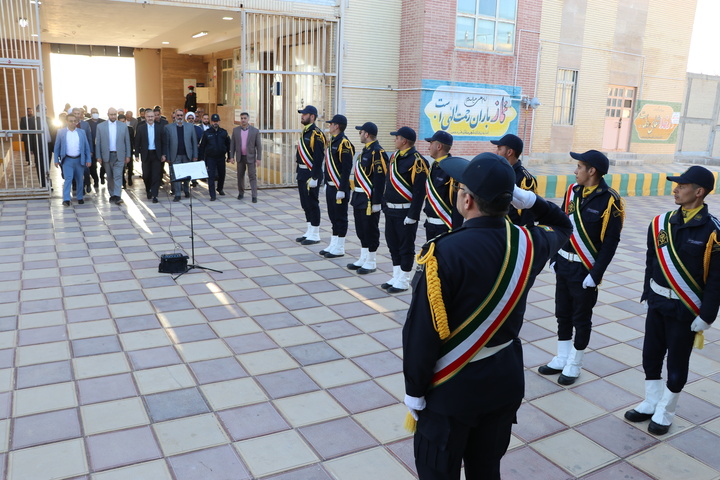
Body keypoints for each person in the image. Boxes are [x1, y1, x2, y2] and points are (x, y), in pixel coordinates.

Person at [402, 153, 573, 480]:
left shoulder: (443, 253)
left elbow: (421, 334)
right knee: (486, 471)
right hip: (502, 382)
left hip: (451, 390)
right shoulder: (530, 242)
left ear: (467, 200)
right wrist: (532, 201)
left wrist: (414, 391)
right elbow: (564, 224)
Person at [624, 166, 720, 435]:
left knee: (677, 363)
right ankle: (651, 401)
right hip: (658, 303)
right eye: (676, 184)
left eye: (682, 185)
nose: (675, 189)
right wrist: (647, 292)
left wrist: (707, 315)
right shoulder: (661, 223)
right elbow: (651, 261)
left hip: (685, 308)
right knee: (650, 356)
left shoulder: (713, 231)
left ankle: (666, 410)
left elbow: (716, 280)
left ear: (699, 192)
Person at [538, 150, 624, 385]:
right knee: (562, 313)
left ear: (592, 171)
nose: (575, 171)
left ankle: (575, 362)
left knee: (581, 318)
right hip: (564, 263)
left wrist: (596, 274)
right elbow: (562, 225)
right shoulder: (572, 192)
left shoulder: (610, 200)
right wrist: (555, 257)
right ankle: (562, 357)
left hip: (585, 270)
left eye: (579, 166)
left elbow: (610, 242)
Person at [382, 126, 428, 293]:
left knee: (405, 246)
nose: (395, 140)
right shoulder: (394, 157)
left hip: (405, 212)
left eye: (397, 137)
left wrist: (413, 215)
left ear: (405, 141)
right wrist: (384, 203)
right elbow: (388, 182)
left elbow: (419, 191)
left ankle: (404, 279)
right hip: (391, 210)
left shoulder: (417, 161)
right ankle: (396, 276)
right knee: (392, 243)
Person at [347, 122, 387, 274]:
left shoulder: (377, 152)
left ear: (367, 134)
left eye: (361, 132)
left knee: (370, 229)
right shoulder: (366, 151)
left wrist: (377, 201)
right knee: (361, 229)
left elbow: (380, 179)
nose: (359, 134)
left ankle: (371, 261)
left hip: (370, 199)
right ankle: (363, 258)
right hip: (359, 196)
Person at [319, 114, 355, 258]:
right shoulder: (333, 141)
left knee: (340, 217)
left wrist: (341, 189)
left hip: (340, 187)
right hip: (331, 185)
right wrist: (327, 182)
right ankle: (333, 243)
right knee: (333, 216)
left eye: (331, 124)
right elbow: (328, 166)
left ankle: (340, 246)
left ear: (337, 126)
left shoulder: (344, 144)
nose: (329, 126)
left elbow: (346, 169)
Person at [295, 105, 327, 245]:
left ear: (312, 117)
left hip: (310, 174)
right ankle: (309, 230)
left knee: (312, 203)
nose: (302, 116)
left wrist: (314, 177)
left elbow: (319, 158)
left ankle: (315, 233)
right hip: (302, 172)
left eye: (305, 114)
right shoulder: (305, 132)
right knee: (305, 203)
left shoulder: (317, 134)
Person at [423, 131, 463, 241]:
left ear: (439, 146)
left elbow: (457, 203)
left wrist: (456, 231)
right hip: (430, 225)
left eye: (431, 143)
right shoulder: (434, 166)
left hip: (444, 226)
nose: (428, 147)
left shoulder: (452, 170)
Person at [492, 134, 537, 226]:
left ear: (509, 152)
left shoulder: (525, 179)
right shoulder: (498, 172)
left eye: (499, 149)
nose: (496, 152)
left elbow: (527, 215)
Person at [53, 113, 92, 206]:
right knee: (68, 179)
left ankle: (80, 197)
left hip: (79, 159)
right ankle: (66, 198)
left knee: (79, 179)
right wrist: (56, 160)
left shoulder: (81, 132)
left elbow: (86, 147)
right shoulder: (61, 132)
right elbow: (57, 147)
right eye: (71, 121)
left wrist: (88, 159)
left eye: (75, 121)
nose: (73, 123)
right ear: (66, 121)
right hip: (67, 160)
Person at [95, 107, 131, 205]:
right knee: (110, 176)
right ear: (108, 115)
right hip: (107, 156)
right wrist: (98, 156)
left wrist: (128, 155)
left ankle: (117, 195)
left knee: (118, 175)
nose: (113, 116)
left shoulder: (123, 126)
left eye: (115, 114)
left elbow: (127, 141)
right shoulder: (101, 126)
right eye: (111, 114)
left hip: (119, 155)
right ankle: (112, 195)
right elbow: (98, 143)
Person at [163, 109, 198, 202]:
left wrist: (195, 155)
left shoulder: (190, 127)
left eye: (181, 115)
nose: (179, 117)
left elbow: (194, 142)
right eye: (178, 115)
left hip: (187, 155)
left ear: (183, 116)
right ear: (175, 116)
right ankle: (177, 194)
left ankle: (186, 190)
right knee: (177, 175)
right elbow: (167, 144)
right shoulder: (168, 127)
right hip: (175, 155)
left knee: (186, 175)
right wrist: (168, 157)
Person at [229, 111, 262, 203]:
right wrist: (231, 157)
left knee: (252, 176)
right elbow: (232, 145)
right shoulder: (236, 131)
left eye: (245, 118)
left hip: (251, 157)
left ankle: (254, 196)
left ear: (248, 119)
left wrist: (259, 158)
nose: (243, 120)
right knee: (240, 176)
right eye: (242, 118)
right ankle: (241, 193)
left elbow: (258, 146)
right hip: (240, 157)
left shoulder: (254, 131)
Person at [134, 109, 165, 203]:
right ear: (145, 117)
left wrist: (164, 154)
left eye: (152, 116)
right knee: (146, 175)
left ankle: (155, 194)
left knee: (156, 175)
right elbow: (137, 142)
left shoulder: (160, 127)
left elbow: (164, 142)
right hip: (146, 154)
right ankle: (148, 190)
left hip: (156, 154)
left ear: (154, 117)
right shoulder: (141, 128)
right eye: (149, 117)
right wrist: (136, 154)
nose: (151, 118)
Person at [199, 113, 230, 201]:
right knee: (211, 176)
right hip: (211, 158)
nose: (215, 123)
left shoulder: (223, 132)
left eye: (216, 121)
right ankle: (212, 194)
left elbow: (228, 145)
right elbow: (202, 146)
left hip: (221, 157)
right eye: (213, 121)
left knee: (222, 174)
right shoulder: (206, 133)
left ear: (219, 122)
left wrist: (230, 156)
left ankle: (220, 189)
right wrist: (201, 158)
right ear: (211, 122)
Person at [118, 113, 135, 188]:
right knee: (121, 167)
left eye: (123, 121)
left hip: (129, 150)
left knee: (130, 166)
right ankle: (123, 182)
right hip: (120, 151)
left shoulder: (130, 129)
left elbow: (132, 140)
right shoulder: (116, 129)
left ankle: (130, 178)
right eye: (120, 121)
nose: (122, 123)